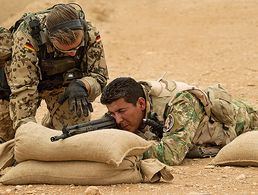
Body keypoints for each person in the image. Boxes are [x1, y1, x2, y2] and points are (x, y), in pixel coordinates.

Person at [2, 3, 108, 142]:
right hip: (18, 86)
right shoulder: (27, 38)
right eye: (66, 51)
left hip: (62, 86)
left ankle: (52, 121)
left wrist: (83, 85)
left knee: (74, 135)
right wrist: (26, 130)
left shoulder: (90, 34)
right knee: (9, 139)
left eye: (76, 48)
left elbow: (99, 76)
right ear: (50, 38)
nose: (73, 53)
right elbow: (24, 89)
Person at [100, 77, 258, 166]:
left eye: (121, 111)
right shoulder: (133, 103)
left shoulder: (181, 102)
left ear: (141, 103)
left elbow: (171, 154)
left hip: (249, 121)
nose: (118, 120)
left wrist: (126, 146)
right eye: (112, 113)